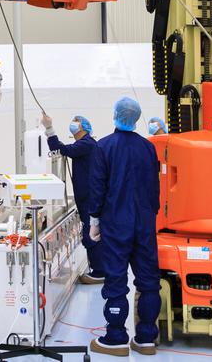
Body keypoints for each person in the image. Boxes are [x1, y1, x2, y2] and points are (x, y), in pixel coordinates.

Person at [89, 96, 160, 357]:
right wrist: (150, 216)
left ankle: (116, 337)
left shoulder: (104, 147)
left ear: (115, 115)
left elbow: (97, 188)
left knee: (117, 279)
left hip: (116, 223)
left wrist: (94, 221)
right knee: (149, 281)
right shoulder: (148, 148)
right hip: (143, 223)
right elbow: (154, 189)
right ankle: (146, 339)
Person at [43, 113, 104, 284]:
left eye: (76, 121)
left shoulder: (87, 145)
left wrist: (49, 128)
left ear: (84, 126)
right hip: (87, 198)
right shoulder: (84, 145)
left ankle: (100, 272)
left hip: (90, 199)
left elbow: (60, 149)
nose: (73, 123)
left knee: (91, 235)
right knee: (92, 233)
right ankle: (99, 268)